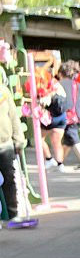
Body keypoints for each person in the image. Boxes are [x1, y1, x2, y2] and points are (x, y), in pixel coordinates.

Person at [39, 65, 80, 170]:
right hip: (72, 117)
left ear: (60, 73)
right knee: (63, 141)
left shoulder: (55, 84)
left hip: (60, 116)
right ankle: (60, 164)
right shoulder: (77, 85)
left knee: (42, 138)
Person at [0, 75, 32, 229]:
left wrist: (18, 139)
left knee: (9, 180)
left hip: (5, 144)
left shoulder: (4, 92)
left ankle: (13, 213)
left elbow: (13, 117)